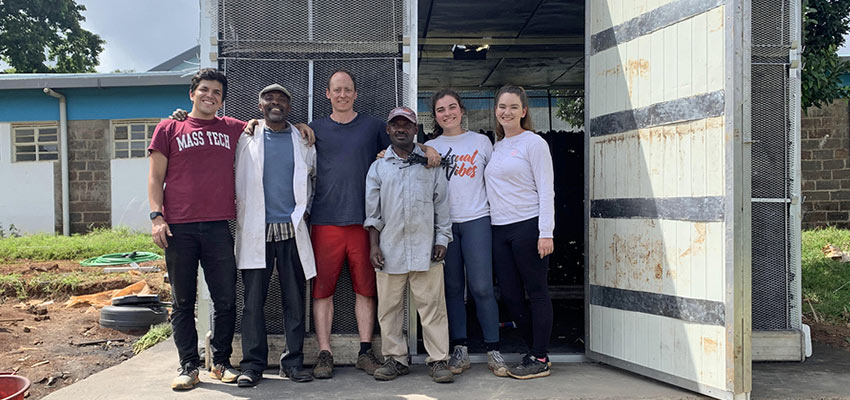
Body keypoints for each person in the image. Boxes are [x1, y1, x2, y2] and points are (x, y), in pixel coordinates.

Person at [147, 68, 244, 390]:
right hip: (179, 227)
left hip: (218, 225)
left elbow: (267, 128)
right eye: (204, 90)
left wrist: (299, 126)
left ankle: (220, 362)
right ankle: (188, 366)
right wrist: (156, 217)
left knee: (226, 299)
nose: (209, 96)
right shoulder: (169, 127)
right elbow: (154, 177)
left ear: (222, 100)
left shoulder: (232, 128)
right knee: (182, 302)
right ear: (192, 94)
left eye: (216, 92)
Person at [232, 84, 317, 387]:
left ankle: (292, 362)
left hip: (292, 231)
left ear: (290, 107)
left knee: (294, 300)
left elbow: (314, 179)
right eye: (269, 99)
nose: (275, 103)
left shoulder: (303, 139)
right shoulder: (245, 137)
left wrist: (305, 211)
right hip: (257, 230)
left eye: (282, 99)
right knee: (253, 301)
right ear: (260, 106)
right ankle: (252, 364)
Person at [364, 106, 454, 383]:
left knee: (433, 307)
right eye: (396, 125)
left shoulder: (431, 164)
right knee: (389, 309)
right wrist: (374, 246)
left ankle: (439, 360)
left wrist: (442, 239)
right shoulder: (378, 167)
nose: (401, 129)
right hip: (389, 250)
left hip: (426, 248)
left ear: (416, 130)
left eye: (407, 125)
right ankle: (395, 359)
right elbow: (373, 213)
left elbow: (442, 205)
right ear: (388, 130)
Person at [423, 89, 506, 376]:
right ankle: (460, 349)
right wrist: (424, 149)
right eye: (441, 110)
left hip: (477, 219)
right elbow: (404, 153)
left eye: (452, 107)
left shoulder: (482, 142)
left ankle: (494, 349)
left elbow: (498, 178)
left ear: (462, 110)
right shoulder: (430, 146)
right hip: (446, 225)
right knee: (453, 290)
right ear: (434, 116)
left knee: (483, 287)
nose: (447, 113)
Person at [484, 85, 555, 380]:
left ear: (524, 112)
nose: (507, 112)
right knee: (511, 296)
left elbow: (546, 189)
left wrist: (546, 232)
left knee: (536, 292)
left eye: (513, 107)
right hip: (499, 229)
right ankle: (534, 349)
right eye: (502, 106)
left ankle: (539, 356)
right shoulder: (496, 146)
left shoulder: (534, 143)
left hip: (528, 225)